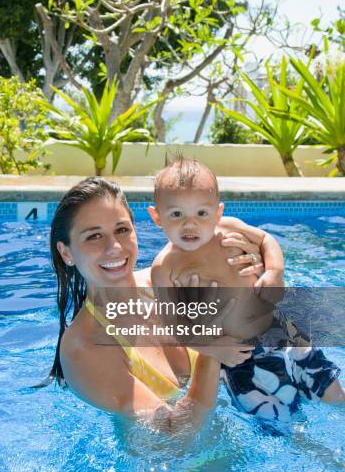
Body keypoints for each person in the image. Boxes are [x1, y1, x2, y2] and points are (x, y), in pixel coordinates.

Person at [47, 176, 273, 430]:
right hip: (181, 467)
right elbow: (173, 436)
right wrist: (211, 352)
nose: (114, 247)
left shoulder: (168, 279)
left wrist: (255, 267)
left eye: (122, 230)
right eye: (94, 236)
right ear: (66, 253)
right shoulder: (84, 348)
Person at [147, 157, 344, 420]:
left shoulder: (228, 228)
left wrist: (274, 272)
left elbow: (265, 239)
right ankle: (315, 452)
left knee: (332, 392)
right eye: (176, 214)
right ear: (157, 217)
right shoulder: (164, 268)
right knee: (278, 422)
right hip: (239, 356)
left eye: (201, 213)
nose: (190, 224)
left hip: (282, 331)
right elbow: (175, 326)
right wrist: (214, 350)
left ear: (217, 213)